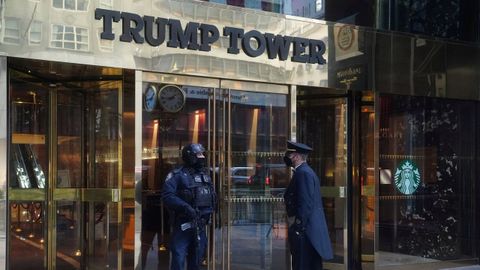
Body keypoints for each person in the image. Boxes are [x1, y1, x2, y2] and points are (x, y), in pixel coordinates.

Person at [162, 143, 216, 270]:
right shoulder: (177, 175)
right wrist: (186, 207)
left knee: (197, 259)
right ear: (189, 156)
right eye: (199, 154)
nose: (202, 157)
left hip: (201, 224)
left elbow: (212, 196)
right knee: (179, 258)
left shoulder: (205, 176)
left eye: (203, 154)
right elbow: (167, 196)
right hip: (183, 224)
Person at [283, 140, 333, 270]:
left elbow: (305, 203)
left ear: (297, 156)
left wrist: (298, 227)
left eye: (291, 155)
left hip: (306, 231)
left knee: (303, 264)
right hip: (309, 230)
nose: (289, 157)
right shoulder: (306, 171)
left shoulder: (303, 173)